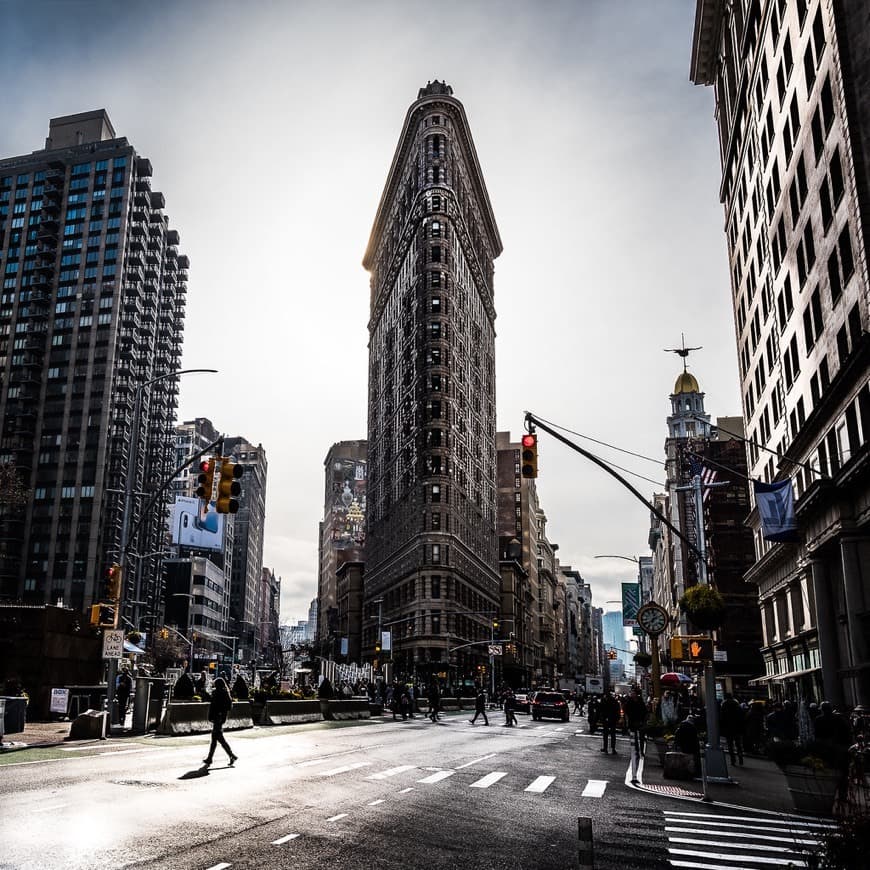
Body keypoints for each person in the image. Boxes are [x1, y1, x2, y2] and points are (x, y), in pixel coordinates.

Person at [203, 677, 237, 767]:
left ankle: (231, 755)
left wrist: (211, 716)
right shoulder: (226, 693)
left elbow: (213, 706)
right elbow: (229, 706)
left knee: (218, 738)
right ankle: (211, 758)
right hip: (221, 717)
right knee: (216, 738)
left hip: (217, 717)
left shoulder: (216, 693)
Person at [622, 686, 647, 783]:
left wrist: (642, 721)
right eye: (631, 693)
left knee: (640, 738)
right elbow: (625, 711)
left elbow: (644, 712)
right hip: (632, 724)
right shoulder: (629, 702)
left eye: (633, 693)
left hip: (639, 724)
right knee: (634, 744)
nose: (632, 694)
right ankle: (634, 775)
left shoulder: (640, 702)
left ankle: (640, 750)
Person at [719, 693, 745, 766]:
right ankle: (740, 758)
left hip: (728, 727)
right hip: (737, 727)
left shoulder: (724, 704)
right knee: (738, 744)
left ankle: (733, 760)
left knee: (730, 745)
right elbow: (741, 715)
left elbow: (722, 717)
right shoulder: (736, 704)